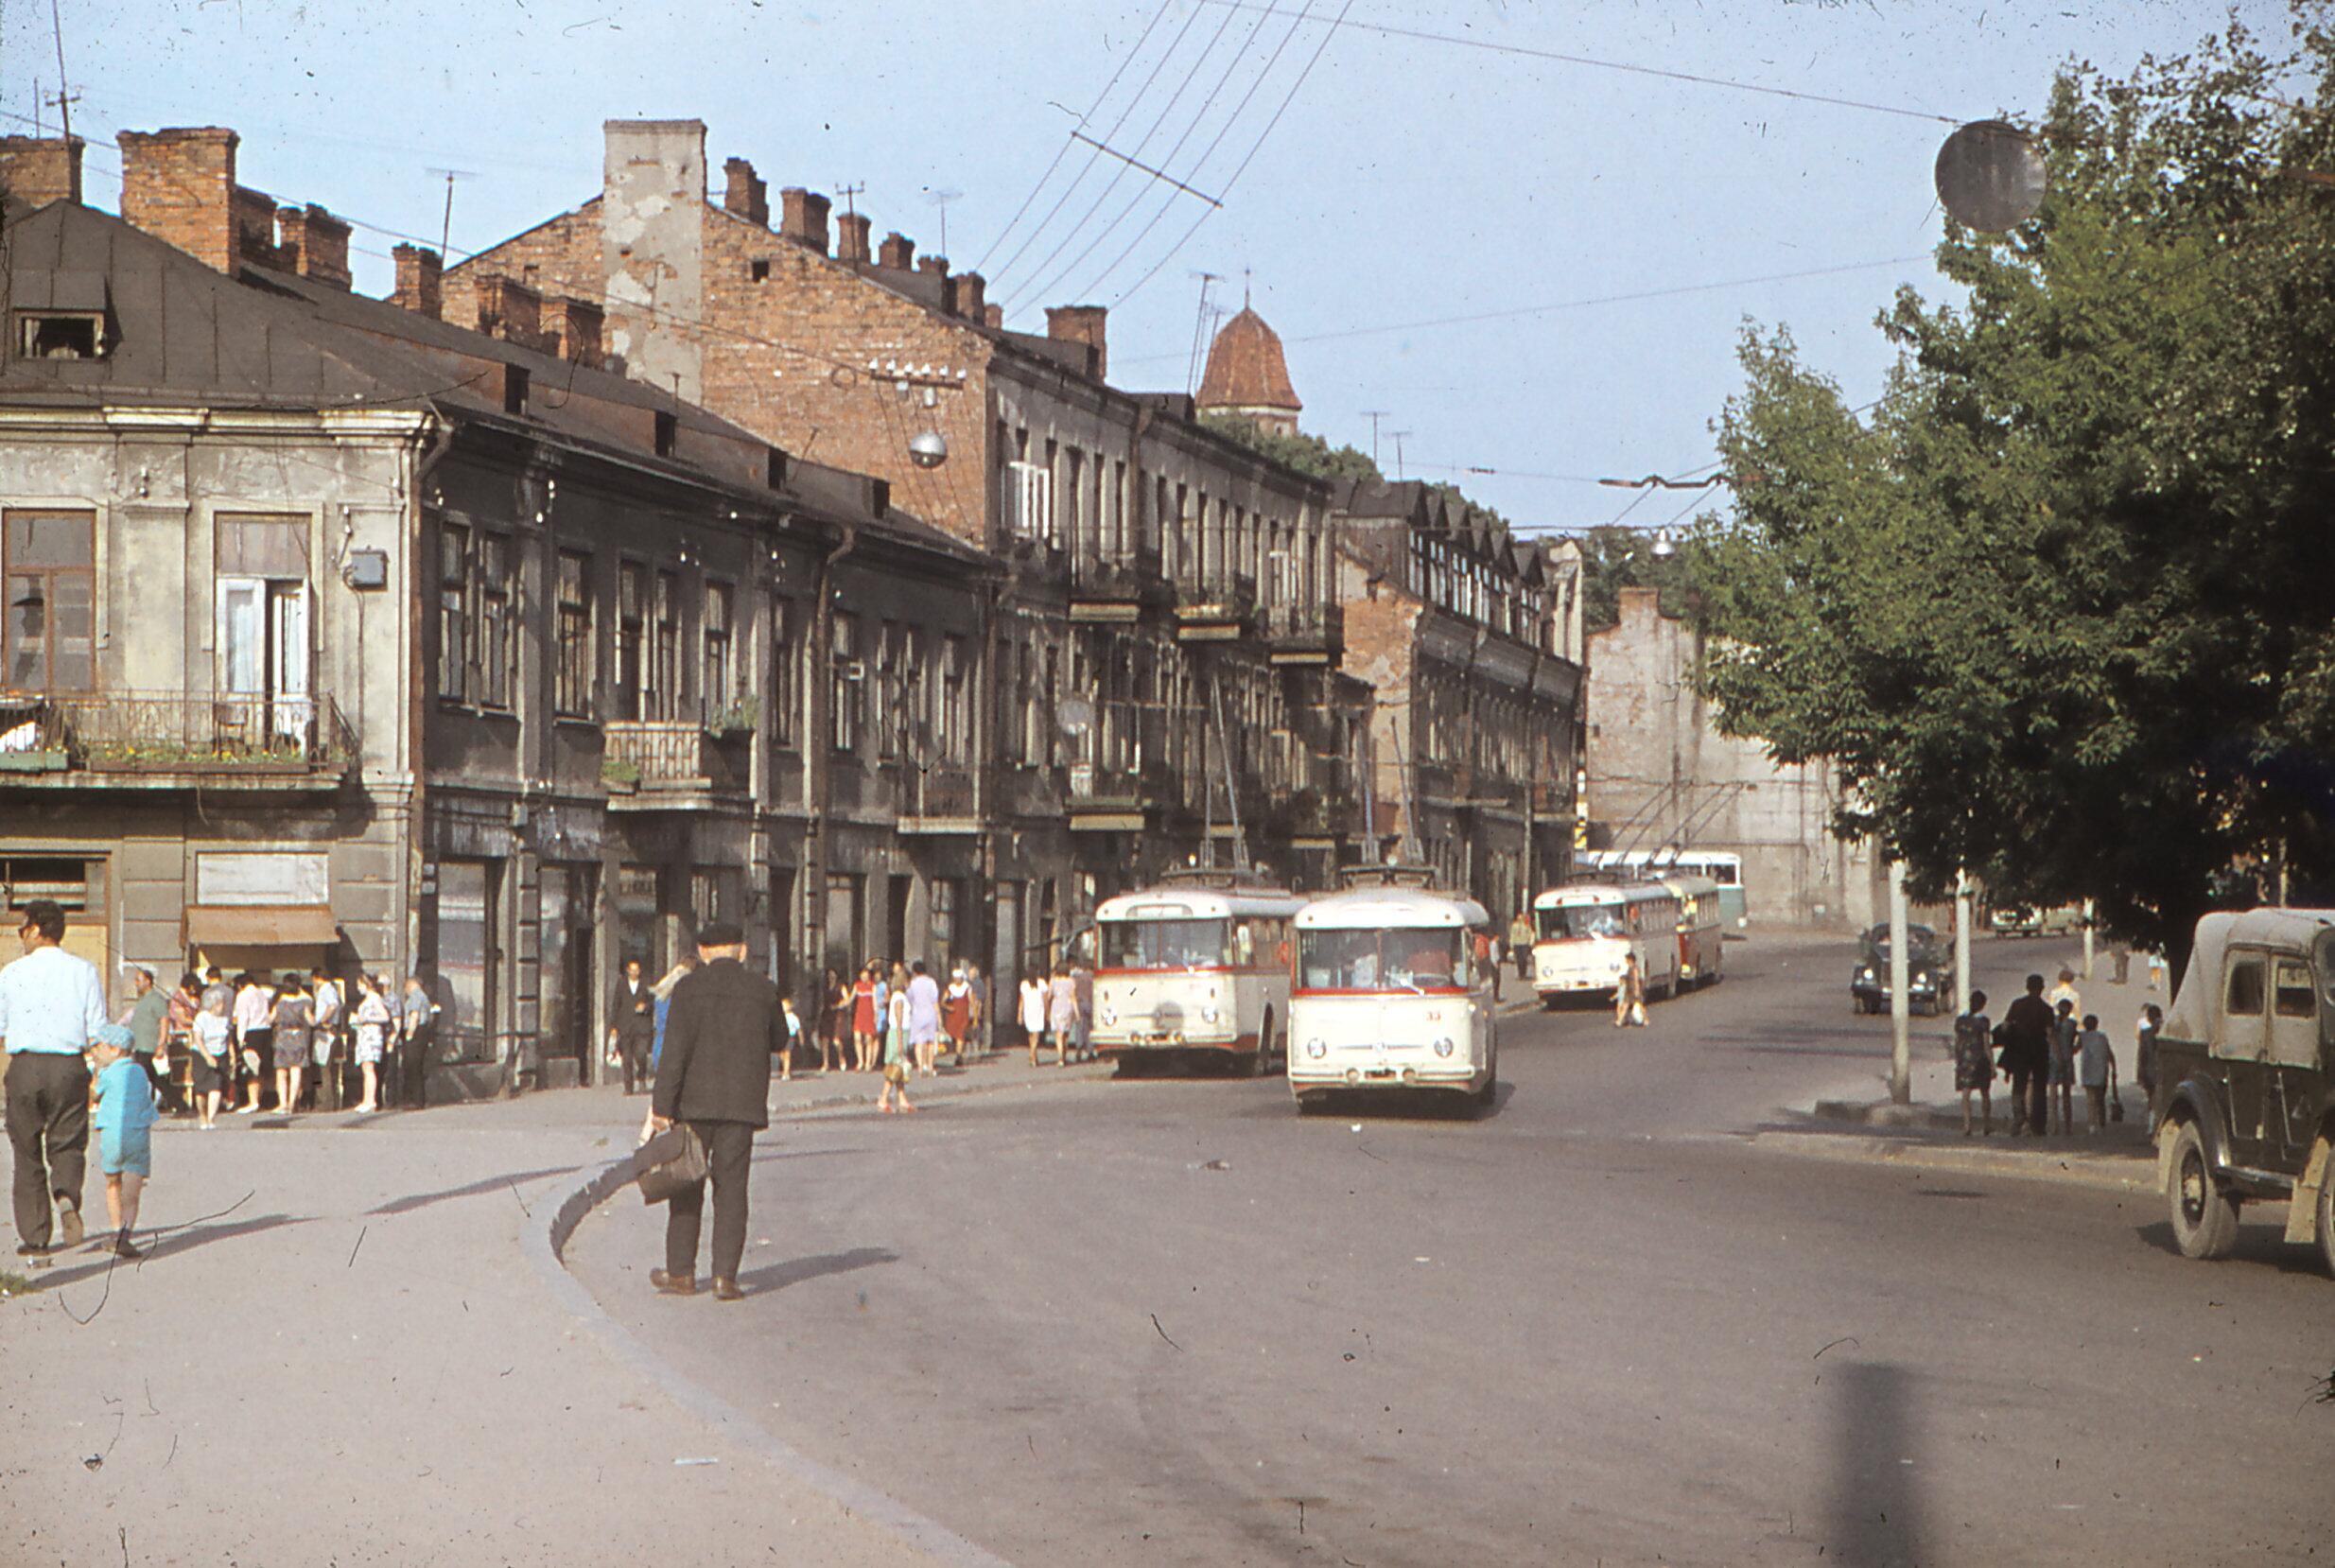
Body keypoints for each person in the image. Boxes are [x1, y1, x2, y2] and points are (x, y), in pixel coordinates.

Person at [644, 923, 779, 1302]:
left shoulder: (687, 990)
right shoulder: (762, 990)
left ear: (703, 952)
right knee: (732, 1190)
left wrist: (661, 1107)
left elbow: (674, 1053)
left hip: (694, 1104)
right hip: (741, 1107)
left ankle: (682, 1273)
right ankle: (725, 1277)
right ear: (741, 950)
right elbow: (781, 1038)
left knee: (687, 1185)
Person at [0, 899, 108, 1259]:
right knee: (68, 1141)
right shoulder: (85, 971)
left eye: (22, 929)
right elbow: (97, 1029)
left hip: (26, 1066)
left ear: (35, 929)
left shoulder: (11, 973)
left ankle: (36, 1238)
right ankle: (65, 1196)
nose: (21, 937)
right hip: (69, 1066)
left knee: (26, 1150)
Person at [87, 1022, 155, 1259]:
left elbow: (94, 1095)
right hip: (138, 1136)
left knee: (113, 1183)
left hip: (113, 1135)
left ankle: (116, 1230)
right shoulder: (139, 1071)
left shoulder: (108, 1073)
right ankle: (125, 1234)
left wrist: (95, 1074)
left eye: (100, 1047)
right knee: (132, 1192)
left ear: (115, 1050)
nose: (95, 1052)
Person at [1995, 973, 2054, 1137]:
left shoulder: (2017, 1005)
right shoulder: (2046, 1009)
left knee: (2019, 1086)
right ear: (2042, 989)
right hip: (2040, 1052)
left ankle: (2019, 1118)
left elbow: (2006, 1027)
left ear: (2027, 987)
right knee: (2040, 1089)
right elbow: (2050, 1034)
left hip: (2020, 1050)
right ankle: (2038, 1125)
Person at [121, 966, 176, 1115]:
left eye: (138, 980)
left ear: (148, 981)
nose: (136, 983)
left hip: (149, 1045)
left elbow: (164, 1020)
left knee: (151, 1078)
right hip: (139, 1044)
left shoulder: (156, 999)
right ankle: (150, 1107)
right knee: (150, 1078)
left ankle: (177, 1103)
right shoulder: (143, 1000)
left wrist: (161, 1043)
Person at [188, 982, 233, 1129]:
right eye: (221, 1004)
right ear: (213, 1004)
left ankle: (211, 1119)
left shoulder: (225, 1019)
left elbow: (228, 1038)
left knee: (216, 1086)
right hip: (202, 1055)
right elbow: (198, 1039)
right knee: (201, 1089)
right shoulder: (201, 1017)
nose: (223, 1007)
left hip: (220, 1053)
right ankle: (203, 1115)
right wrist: (207, 1056)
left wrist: (231, 1054)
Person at [608, 958, 655, 1095]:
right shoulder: (621, 984)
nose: (634, 973)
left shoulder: (645, 984)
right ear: (628, 971)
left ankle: (641, 1077)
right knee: (627, 1058)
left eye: (637, 970)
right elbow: (616, 1005)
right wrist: (614, 1026)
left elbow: (653, 1004)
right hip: (625, 1027)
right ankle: (628, 1087)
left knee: (641, 1054)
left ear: (639, 971)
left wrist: (645, 1007)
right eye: (632, 970)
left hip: (642, 1027)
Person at [1952, 988, 1995, 1137]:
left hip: (1964, 1060)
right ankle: (1986, 1124)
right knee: (1985, 1092)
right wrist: (1992, 1064)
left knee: (1966, 1093)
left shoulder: (1960, 1020)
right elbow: (1986, 1044)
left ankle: (1967, 1124)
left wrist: (1958, 1058)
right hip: (1980, 1060)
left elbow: (1957, 1042)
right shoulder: (1983, 1022)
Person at [271, 972, 314, 1117]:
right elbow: (311, 1021)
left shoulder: (280, 1004)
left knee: (281, 1072)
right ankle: (291, 1103)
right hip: (299, 1037)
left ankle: (282, 1103)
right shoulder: (304, 1004)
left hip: (283, 1037)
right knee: (296, 1071)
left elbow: (270, 1019)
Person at [351, 974, 393, 1113]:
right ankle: (366, 1099)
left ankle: (370, 1100)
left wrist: (365, 1018)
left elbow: (385, 1016)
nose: (358, 988)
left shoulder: (375, 998)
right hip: (365, 1034)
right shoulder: (369, 999)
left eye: (359, 985)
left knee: (369, 1068)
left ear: (366, 984)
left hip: (372, 1035)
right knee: (366, 1068)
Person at [232, 971, 273, 1113]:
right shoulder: (262, 993)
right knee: (261, 1068)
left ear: (239, 985)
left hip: (251, 1032)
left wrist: (240, 1038)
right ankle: (258, 1099)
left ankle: (253, 1101)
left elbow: (242, 1018)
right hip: (266, 1031)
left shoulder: (242, 996)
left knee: (251, 1068)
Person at [397, 973, 439, 1109]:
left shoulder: (415, 996)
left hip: (415, 1033)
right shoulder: (425, 997)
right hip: (423, 1032)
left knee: (412, 1066)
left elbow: (414, 1015)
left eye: (406, 987)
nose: (405, 990)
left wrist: (409, 1034)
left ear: (411, 984)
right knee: (417, 1067)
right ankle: (418, 1100)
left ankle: (414, 1101)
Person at [310, 967, 344, 1110]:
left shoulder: (327, 989)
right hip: (322, 1031)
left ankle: (325, 1102)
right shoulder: (326, 990)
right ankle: (319, 1100)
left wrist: (322, 1020)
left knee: (323, 1068)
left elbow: (333, 1005)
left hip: (326, 1030)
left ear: (318, 977)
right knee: (318, 1066)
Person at [2077, 1012, 2116, 1134]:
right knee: (2100, 1098)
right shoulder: (2102, 1037)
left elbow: (2075, 1049)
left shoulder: (2083, 1037)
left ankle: (2092, 1123)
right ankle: (2101, 1121)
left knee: (2090, 1099)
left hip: (2088, 1070)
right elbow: (2109, 1053)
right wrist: (2114, 1068)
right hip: (2101, 1071)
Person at [2047, 998, 2079, 1135]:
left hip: (2053, 1058)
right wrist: (2073, 1050)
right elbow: (2078, 1040)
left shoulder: (2052, 1022)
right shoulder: (2072, 1024)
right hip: (2067, 1059)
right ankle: (2068, 1126)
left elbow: (2050, 1038)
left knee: (2053, 1094)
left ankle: (2053, 1125)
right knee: (2067, 1094)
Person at [2135, 1002, 2164, 1130]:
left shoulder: (2145, 1033)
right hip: (2163, 1069)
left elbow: (2142, 1055)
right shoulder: (2166, 1031)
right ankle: (2158, 1124)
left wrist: (2139, 1074)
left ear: (2148, 1018)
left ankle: (2152, 1125)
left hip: (2149, 1070)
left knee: (2151, 1099)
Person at [1047, 962, 1080, 1068]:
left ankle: (1060, 1056)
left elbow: (1049, 995)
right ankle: (1064, 1055)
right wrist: (1077, 1012)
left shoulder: (1053, 981)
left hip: (1057, 1006)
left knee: (1058, 1033)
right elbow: (1073, 997)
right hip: (1068, 1007)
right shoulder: (1071, 981)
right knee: (1065, 1033)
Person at [851, 965, 880, 1073]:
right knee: (857, 1038)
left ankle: (868, 1063)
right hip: (859, 1014)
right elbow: (851, 998)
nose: (864, 976)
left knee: (869, 1039)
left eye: (866, 974)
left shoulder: (872, 986)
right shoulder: (857, 985)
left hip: (869, 1014)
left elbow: (875, 1001)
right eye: (862, 974)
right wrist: (841, 1004)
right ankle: (860, 1061)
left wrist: (876, 1015)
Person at [942, 965, 973, 1065]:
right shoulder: (950, 988)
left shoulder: (967, 988)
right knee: (955, 1035)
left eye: (958, 978)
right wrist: (948, 1007)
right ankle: (958, 1052)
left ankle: (959, 1055)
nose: (957, 980)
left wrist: (975, 1016)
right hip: (953, 1016)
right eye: (955, 978)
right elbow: (942, 1002)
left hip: (963, 1015)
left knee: (961, 1034)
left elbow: (972, 1002)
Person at [822, 967, 850, 1073]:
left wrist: (838, 1006)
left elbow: (847, 1000)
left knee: (836, 1040)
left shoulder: (841, 987)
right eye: (829, 975)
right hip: (826, 1014)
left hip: (837, 1015)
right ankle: (825, 1063)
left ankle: (841, 1058)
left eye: (833, 974)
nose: (831, 977)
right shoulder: (825, 987)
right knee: (825, 1039)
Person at [1019, 969, 1049, 1067]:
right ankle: (1033, 1054)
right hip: (1038, 1010)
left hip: (1028, 1011)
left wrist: (1019, 1014)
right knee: (1036, 1034)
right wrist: (1047, 1012)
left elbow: (1021, 1001)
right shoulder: (1042, 983)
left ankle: (1033, 1056)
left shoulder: (1024, 985)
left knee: (1031, 1034)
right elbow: (1045, 1000)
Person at [1613, 950, 1647, 1027]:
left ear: (1630, 959)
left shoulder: (1635, 968)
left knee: (1640, 1005)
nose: (1625, 960)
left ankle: (1645, 1019)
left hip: (1634, 990)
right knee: (1625, 1005)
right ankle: (1619, 1021)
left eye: (1626, 959)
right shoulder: (1630, 968)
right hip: (1629, 990)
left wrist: (1637, 991)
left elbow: (1636, 980)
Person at [964, 961, 989, 1058]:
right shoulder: (965, 983)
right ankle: (968, 1049)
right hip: (966, 1009)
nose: (970, 975)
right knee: (967, 1030)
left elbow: (980, 998)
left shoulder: (979, 983)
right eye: (969, 973)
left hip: (975, 1008)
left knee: (975, 1029)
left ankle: (975, 1049)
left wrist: (977, 1010)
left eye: (972, 973)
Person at [778, 994, 802, 1082]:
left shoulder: (793, 1017)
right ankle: (786, 1068)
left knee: (787, 1054)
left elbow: (799, 1029)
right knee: (781, 1054)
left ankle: (786, 1073)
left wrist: (801, 1038)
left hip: (790, 1036)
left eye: (785, 1006)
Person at [1508, 910, 1535, 982]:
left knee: (1524, 959)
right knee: (1519, 960)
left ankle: (1524, 973)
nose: (1520, 919)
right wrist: (1511, 944)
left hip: (1524, 944)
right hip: (1517, 944)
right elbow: (1512, 935)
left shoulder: (1526, 925)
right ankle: (1520, 974)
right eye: (1518, 917)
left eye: (1521, 917)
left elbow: (1531, 933)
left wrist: (1530, 943)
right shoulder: (1514, 925)